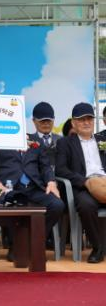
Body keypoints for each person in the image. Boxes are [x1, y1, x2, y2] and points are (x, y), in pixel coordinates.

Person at [0, 134, 65, 260]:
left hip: (34, 187)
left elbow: (45, 166)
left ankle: (33, 243)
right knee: (14, 204)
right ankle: (16, 246)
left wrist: (51, 181)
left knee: (57, 205)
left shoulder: (36, 140)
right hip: (9, 187)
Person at [56, 102, 106, 263]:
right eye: (81, 119)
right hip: (84, 187)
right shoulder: (65, 143)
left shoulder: (102, 140)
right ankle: (98, 248)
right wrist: (85, 182)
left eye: (89, 119)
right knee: (86, 205)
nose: (86, 122)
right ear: (74, 123)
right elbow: (61, 170)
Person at [30, 102, 62, 166]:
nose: (46, 123)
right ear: (34, 120)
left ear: (53, 119)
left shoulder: (62, 140)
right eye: (42, 120)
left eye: (49, 120)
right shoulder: (28, 142)